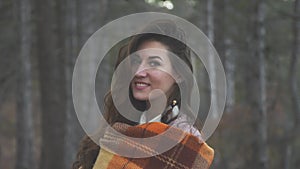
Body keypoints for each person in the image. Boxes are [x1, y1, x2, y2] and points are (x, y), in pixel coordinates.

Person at [72, 20, 214, 169]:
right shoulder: (119, 123)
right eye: (136, 61)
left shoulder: (185, 142)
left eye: (154, 63)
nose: (139, 72)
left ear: (178, 74)